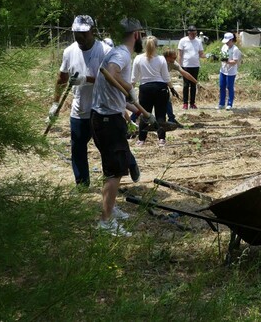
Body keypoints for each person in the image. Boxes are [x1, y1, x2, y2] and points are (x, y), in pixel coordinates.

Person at [91, 17, 153, 237]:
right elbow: (111, 72)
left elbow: (115, 89)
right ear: (136, 35)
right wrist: (128, 86)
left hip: (106, 116)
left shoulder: (116, 51)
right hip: (107, 120)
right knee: (114, 171)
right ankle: (105, 221)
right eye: (141, 35)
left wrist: (139, 111)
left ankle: (110, 207)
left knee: (115, 166)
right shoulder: (121, 54)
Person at [48, 15, 109, 187]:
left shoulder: (104, 51)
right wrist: (55, 104)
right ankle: (82, 184)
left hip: (101, 109)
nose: (80, 37)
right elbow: (62, 79)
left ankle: (112, 181)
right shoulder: (69, 51)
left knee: (106, 148)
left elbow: (112, 81)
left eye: (83, 33)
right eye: (76, 33)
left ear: (92, 31)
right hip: (79, 109)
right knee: (77, 149)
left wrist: (87, 79)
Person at [131, 36, 170, 147]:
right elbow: (166, 77)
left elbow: (134, 78)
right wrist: (171, 87)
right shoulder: (161, 59)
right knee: (161, 115)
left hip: (145, 88)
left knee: (145, 115)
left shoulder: (138, 58)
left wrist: (129, 90)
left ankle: (141, 139)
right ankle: (161, 139)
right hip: (160, 88)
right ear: (156, 46)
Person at [163, 49, 198, 127]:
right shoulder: (160, 62)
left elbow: (184, 73)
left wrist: (195, 82)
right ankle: (134, 119)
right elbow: (165, 77)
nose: (175, 59)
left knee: (167, 101)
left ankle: (171, 119)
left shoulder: (173, 63)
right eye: (173, 58)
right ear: (167, 57)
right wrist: (171, 88)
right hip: (156, 83)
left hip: (163, 84)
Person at [177, 25, 205, 109]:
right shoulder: (183, 41)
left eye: (195, 33)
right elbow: (179, 54)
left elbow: (201, 53)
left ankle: (192, 103)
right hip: (186, 66)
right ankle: (185, 103)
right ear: (188, 33)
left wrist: (207, 56)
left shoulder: (198, 41)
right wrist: (179, 66)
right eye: (192, 33)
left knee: (193, 84)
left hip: (195, 65)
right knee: (186, 85)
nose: (194, 35)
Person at [218, 32, 242, 110]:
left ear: (231, 40)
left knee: (229, 87)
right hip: (223, 70)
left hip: (231, 72)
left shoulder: (235, 49)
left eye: (228, 41)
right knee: (222, 86)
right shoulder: (224, 47)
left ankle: (229, 103)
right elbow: (221, 56)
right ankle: (221, 103)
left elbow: (235, 61)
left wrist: (227, 61)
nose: (226, 43)